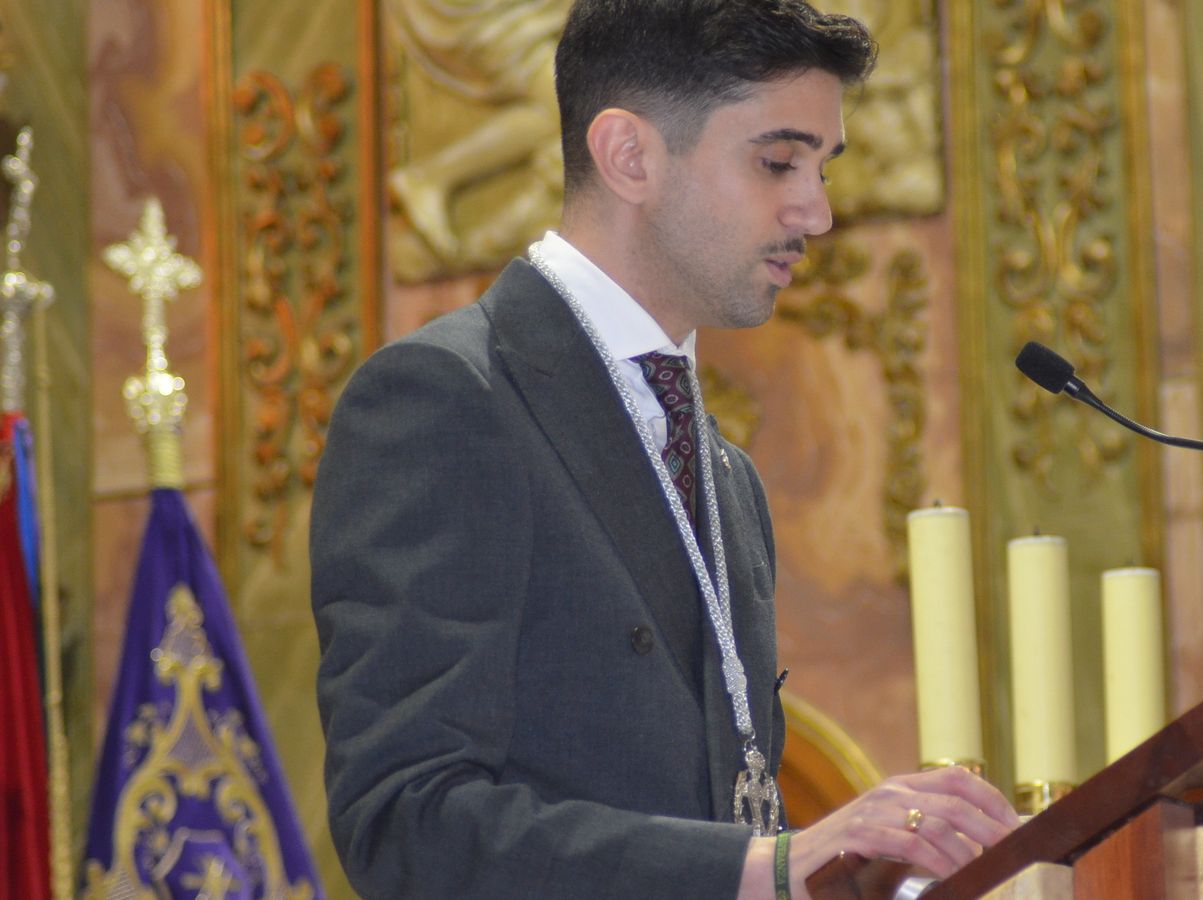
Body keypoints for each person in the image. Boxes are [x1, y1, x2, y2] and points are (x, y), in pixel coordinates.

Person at [310, 0, 1020, 897]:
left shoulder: (726, 472)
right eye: (777, 162)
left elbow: (720, 819)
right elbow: (407, 822)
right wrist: (774, 865)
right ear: (630, 156)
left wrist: (873, 871)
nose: (817, 211)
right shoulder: (446, 398)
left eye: (822, 168)